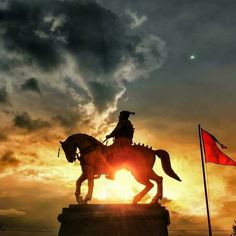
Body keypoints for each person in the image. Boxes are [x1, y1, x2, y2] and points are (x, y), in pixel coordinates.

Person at [105, 111, 135, 179]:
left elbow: (116, 130)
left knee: (109, 153)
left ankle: (112, 173)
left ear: (123, 116)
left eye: (120, 115)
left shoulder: (122, 122)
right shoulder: (129, 123)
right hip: (127, 141)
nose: (119, 117)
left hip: (121, 141)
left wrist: (109, 136)